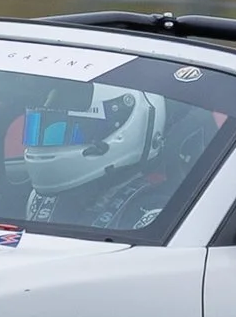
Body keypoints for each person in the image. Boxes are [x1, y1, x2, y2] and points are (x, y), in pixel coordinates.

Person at [21, 83, 212, 229]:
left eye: (72, 132)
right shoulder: (43, 200)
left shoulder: (152, 213)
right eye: (43, 132)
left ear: (124, 131)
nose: (46, 145)